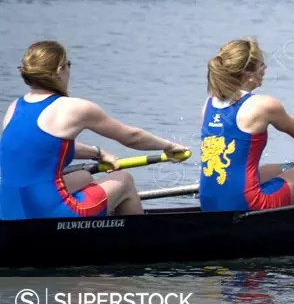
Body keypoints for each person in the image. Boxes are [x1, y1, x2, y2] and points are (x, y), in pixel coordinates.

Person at [0, 41, 189, 220]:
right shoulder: (74, 108)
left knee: (84, 176)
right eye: (69, 64)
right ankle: (139, 243)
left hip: (9, 209)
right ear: (59, 70)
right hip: (48, 214)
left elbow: (43, 147)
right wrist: (169, 146)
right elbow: (132, 137)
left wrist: (97, 153)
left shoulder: (14, 107)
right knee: (124, 180)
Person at [199, 38, 294, 212]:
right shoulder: (263, 105)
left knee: (273, 170)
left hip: (208, 202)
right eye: (262, 65)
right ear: (248, 74)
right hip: (246, 204)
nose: (265, 69)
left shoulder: (209, 104)